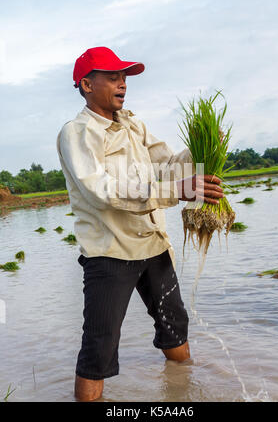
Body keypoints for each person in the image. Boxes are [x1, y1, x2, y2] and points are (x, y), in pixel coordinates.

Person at [56, 46, 224, 402]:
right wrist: (175, 190)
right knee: (100, 346)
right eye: (113, 77)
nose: (123, 84)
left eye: (125, 77)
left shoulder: (134, 125)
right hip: (110, 252)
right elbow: (102, 190)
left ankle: (183, 394)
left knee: (174, 326)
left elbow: (170, 168)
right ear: (87, 84)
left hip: (153, 245)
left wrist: (203, 146)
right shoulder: (78, 133)